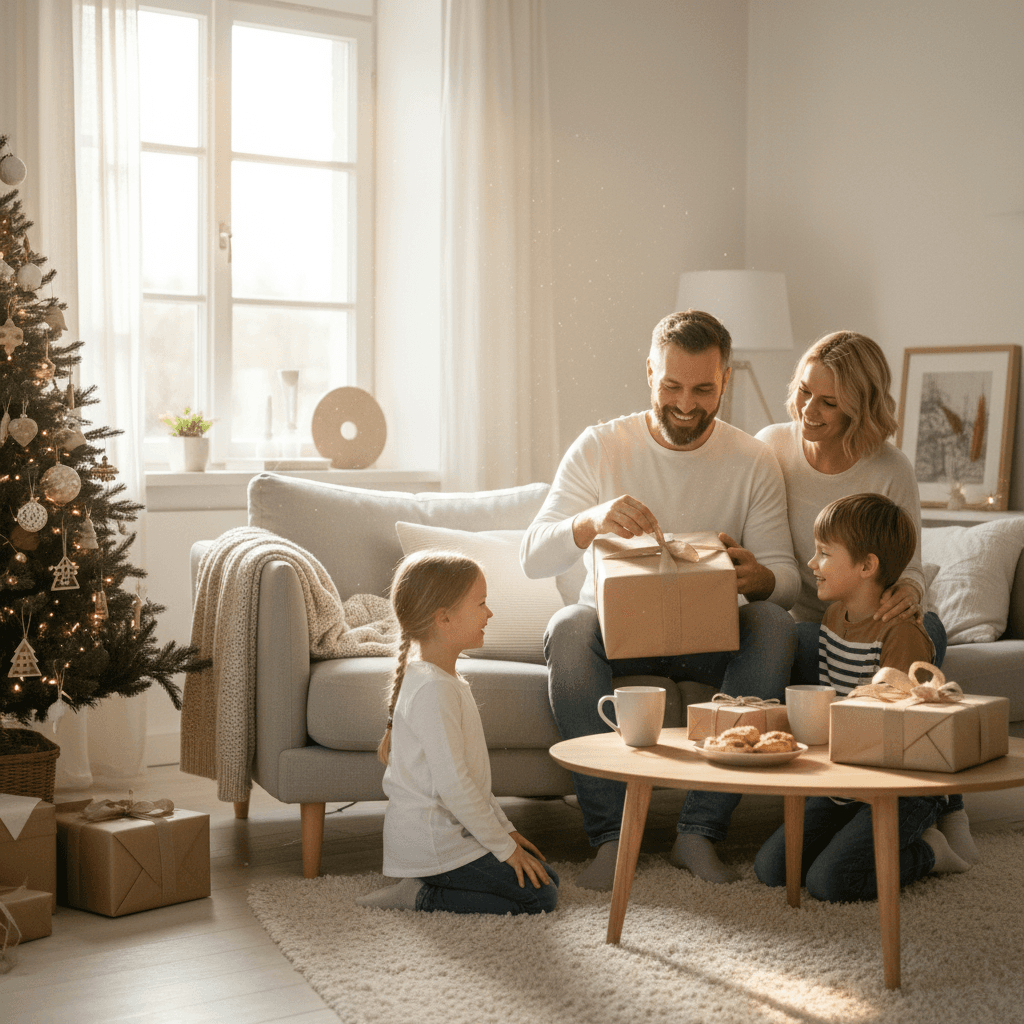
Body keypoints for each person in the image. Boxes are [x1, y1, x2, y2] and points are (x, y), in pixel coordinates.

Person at [520, 309, 800, 890]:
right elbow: (532, 557)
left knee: (773, 624)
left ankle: (698, 832)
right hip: (620, 637)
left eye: (703, 388)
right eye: (671, 386)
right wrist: (589, 521)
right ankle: (609, 838)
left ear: (726, 381)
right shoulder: (601, 446)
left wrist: (756, 578)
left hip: (711, 638)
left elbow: (785, 578)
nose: (686, 404)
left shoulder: (752, 459)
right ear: (649, 372)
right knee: (570, 626)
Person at [756, 330, 977, 864]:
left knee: (919, 643)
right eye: (806, 391)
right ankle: (850, 802)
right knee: (803, 643)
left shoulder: (889, 467)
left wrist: (908, 592)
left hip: (882, 609)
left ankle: (944, 802)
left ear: (862, 407)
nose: (809, 409)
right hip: (812, 618)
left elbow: (913, 561)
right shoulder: (773, 447)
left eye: (829, 402)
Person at [754, 494, 973, 901]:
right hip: (848, 784)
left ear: (867, 566)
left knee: (830, 882)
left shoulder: (902, 635)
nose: (811, 564)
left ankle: (930, 851)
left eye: (823, 554)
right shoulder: (834, 617)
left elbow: (905, 738)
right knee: (772, 870)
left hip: (901, 790)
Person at [356, 550, 559, 915]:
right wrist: (504, 848)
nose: (489, 613)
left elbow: (472, 784)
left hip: (451, 833)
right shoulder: (434, 690)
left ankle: (429, 883)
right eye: (481, 603)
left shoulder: (444, 682)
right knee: (539, 897)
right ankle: (420, 894)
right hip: (435, 844)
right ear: (444, 618)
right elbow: (455, 786)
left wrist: (507, 833)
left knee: (546, 879)